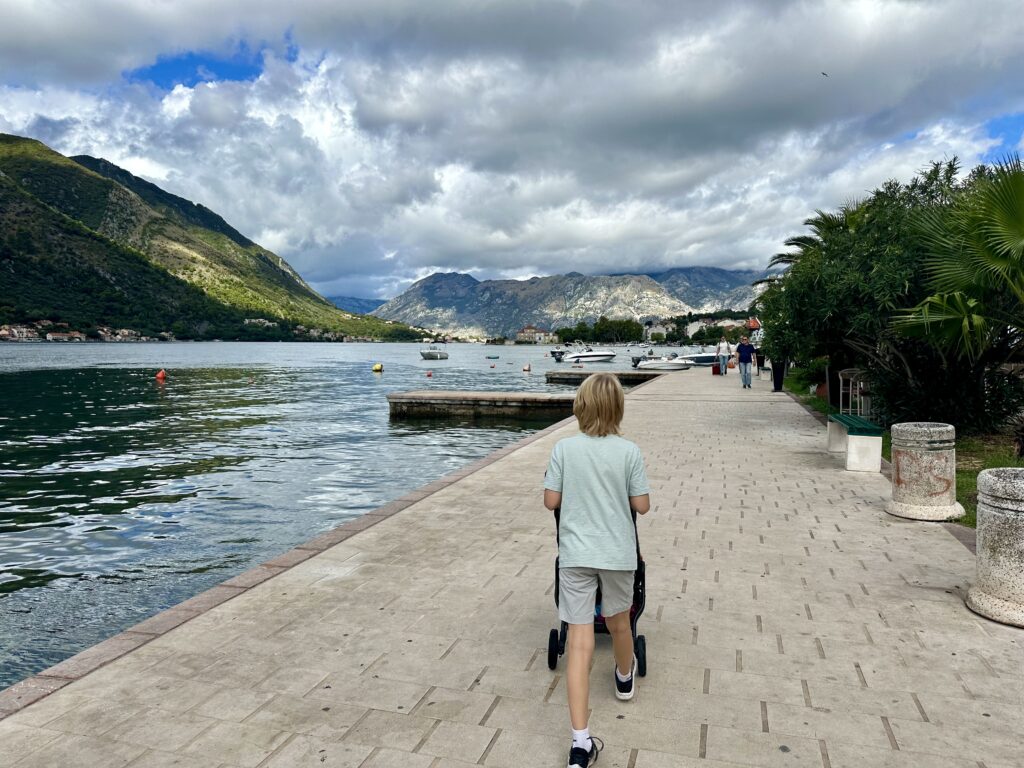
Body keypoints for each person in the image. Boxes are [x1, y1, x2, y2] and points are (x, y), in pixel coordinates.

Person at [543, 372, 651, 768]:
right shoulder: (629, 452)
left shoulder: (563, 449)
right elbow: (641, 506)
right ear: (618, 408)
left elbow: (550, 500)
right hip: (618, 555)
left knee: (579, 641)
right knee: (621, 622)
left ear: (580, 405)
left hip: (575, 555)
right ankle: (624, 676)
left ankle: (580, 742)